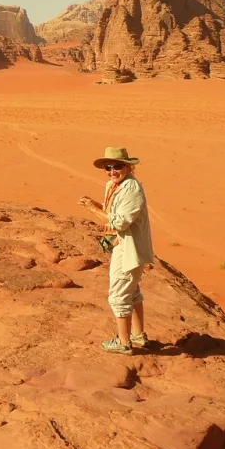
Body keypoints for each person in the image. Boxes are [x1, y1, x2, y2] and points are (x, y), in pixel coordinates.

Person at [79, 147, 154, 355]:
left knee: (119, 295)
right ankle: (138, 336)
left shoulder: (132, 190)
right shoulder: (116, 186)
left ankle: (123, 342)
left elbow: (120, 222)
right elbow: (114, 210)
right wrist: (96, 204)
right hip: (123, 246)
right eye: (108, 167)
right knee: (133, 291)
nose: (112, 171)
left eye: (117, 166)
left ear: (129, 166)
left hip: (130, 249)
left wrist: (93, 211)